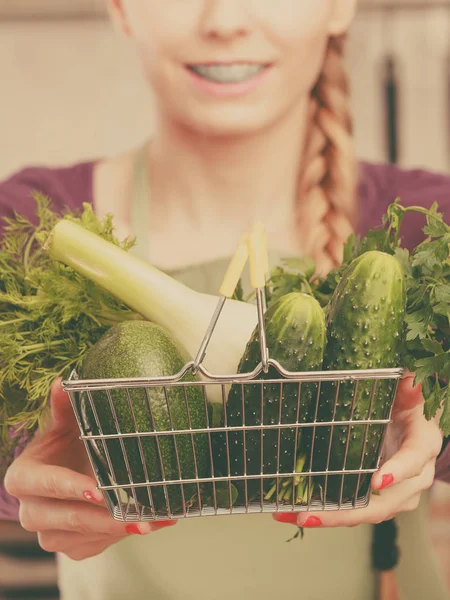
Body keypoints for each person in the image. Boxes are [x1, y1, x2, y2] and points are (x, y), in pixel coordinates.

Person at [1, 1, 450, 599]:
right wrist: (31, 478)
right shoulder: (29, 228)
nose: (225, 19)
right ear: (120, 8)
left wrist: (432, 433)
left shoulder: (425, 228)